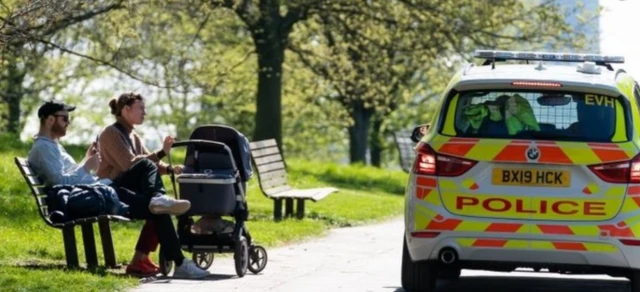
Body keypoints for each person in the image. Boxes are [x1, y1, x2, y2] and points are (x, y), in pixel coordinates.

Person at [27, 100, 210, 279]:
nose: (69, 123)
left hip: (101, 190)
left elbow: (70, 177)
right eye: (65, 119)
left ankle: (159, 203)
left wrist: (85, 161)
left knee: (147, 170)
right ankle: (180, 263)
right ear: (50, 119)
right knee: (158, 208)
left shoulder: (54, 146)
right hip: (95, 196)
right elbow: (60, 182)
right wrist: (86, 167)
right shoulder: (43, 148)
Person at [96, 92, 183, 276]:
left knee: (158, 207)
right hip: (111, 190)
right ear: (126, 110)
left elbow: (150, 165)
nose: (145, 112)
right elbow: (131, 164)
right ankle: (179, 262)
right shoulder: (111, 133)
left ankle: (139, 261)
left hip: (127, 189)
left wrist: (169, 169)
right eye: (141, 108)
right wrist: (161, 152)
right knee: (157, 203)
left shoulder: (133, 135)